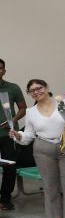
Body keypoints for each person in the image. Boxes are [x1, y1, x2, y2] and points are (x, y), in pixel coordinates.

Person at [8, 79, 65, 218]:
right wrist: (18, 135)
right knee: (50, 185)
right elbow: (28, 136)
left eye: (39, 88)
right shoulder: (30, 112)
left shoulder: (62, 103)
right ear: (30, 94)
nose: (36, 92)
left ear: (47, 87)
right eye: (32, 91)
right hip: (43, 148)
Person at [0, 59, 26, 210]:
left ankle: (5, 198)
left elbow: (23, 108)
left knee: (10, 167)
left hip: (9, 134)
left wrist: (13, 119)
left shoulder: (12, 88)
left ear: (4, 71)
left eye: (0, 68)